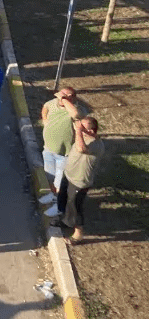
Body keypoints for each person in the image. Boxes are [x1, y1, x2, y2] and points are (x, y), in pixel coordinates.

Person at [57, 116, 104, 244]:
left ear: (92, 131)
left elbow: (81, 149)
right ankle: (66, 221)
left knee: (75, 207)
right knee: (63, 199)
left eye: (83, 128)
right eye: (80, 126)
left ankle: (78, 234)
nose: (79, 129)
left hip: (79, 182)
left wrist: (78, 131)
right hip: (69, 176)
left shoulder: (96, 145)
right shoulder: (83, 137)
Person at [41, 87, 82, 191]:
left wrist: (64, 99)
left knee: (59, 182)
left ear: (73, 99)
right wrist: (45, 120)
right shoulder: (52, 103)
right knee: (49, 178)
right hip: (48, 150)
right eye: (62, 94)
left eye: (68, 96)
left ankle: (58, 202)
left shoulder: (75, 109)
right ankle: (53, 196)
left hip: (64, 155)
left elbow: (76, 115)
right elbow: (45, 107)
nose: (62, 98)